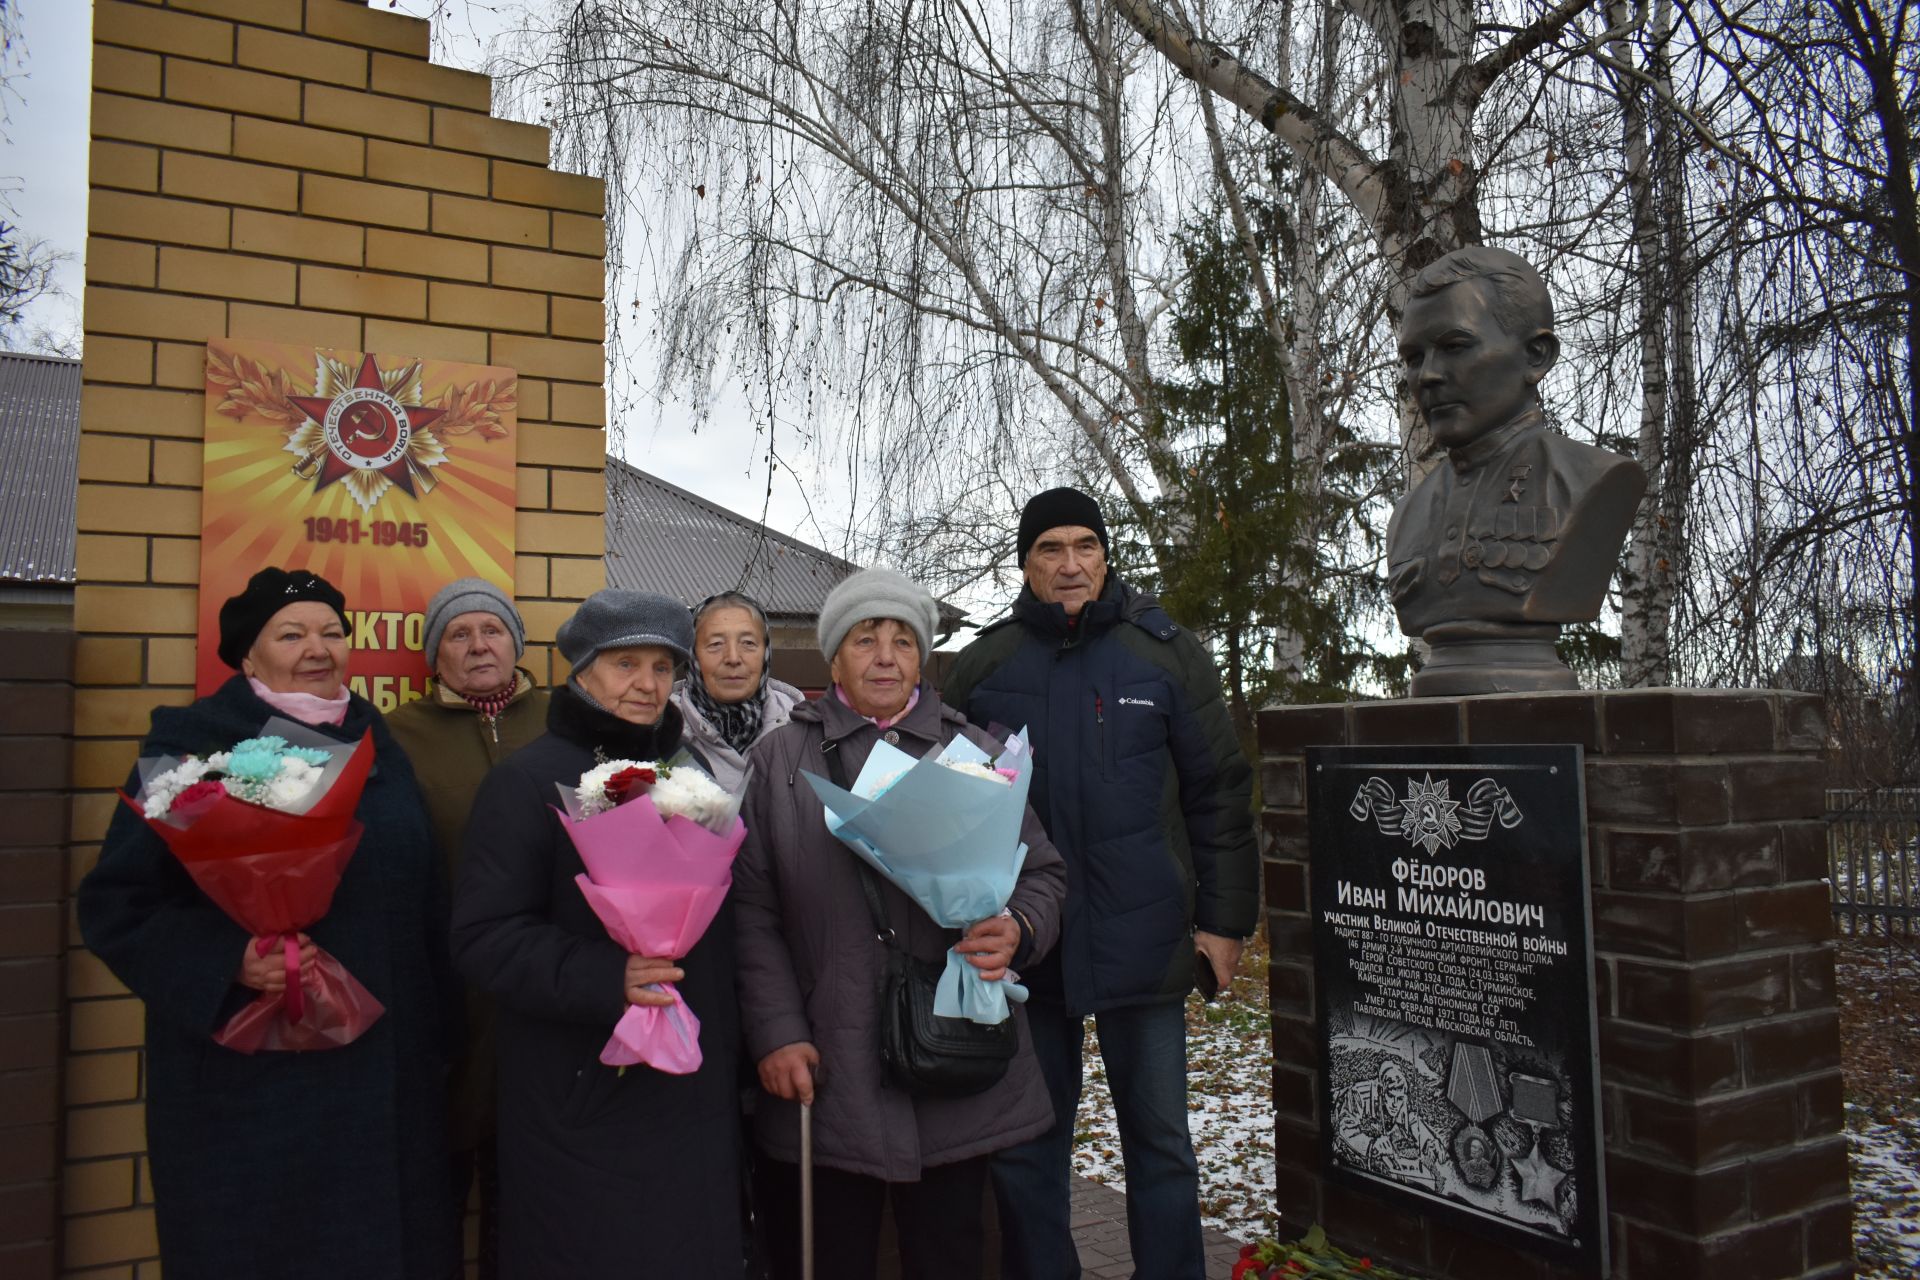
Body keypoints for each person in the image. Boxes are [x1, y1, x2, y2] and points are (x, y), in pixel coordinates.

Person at [77, 567, 460, 1278]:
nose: (318, 648)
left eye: (331, 632)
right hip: (251, 1085)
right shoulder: (194, 750)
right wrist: (227, 960)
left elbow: (423, 890)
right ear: (247, 657)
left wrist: (441, 1036)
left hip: (386, 1073)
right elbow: (116, 905)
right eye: (292, 634)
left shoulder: (378, 741)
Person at [943, 489, 1259, 1280]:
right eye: (1051, 549)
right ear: (1025, 563)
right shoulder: (985, 665)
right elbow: (946, 805)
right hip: (1027, 948)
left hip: (1145, 943)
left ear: (1106, 555)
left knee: (1160, 1146)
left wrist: (1223, 924)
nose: (1070, 564)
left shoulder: (1166, 655)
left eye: (1085, 546)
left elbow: (1217, 791)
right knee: (1028, 1149)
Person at [735, 568, 1068, 1280]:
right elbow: (751, 913)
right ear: (835, 659)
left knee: (950, 1249)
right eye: (865, 639)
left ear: (923, 658)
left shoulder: (971, 754)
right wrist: (777, 1032)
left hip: (947, 1052)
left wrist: (1018, 928)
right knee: (829, 1254)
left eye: (902, 641)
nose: (885, 656)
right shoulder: (777, 762)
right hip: (825, 1062)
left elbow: (1043, 873)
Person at [450, 590, 742, 1278]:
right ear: (582, 671)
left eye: (664, 668)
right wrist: (605, 977)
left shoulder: (690, 779)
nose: (648, 685)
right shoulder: (526, 781)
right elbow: (483, 936)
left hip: (689, 1089)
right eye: (625, 665)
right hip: (582, 1089)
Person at [1386, 246, 1645, 694]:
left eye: (1454, 347)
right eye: (1413, 358)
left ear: (1536, 356)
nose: (1426, 376)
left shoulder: (1590, 479)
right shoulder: (1408, 516)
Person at [386, 577, 548, 1277]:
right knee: (438, 1185)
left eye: (492, 629)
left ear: (515, 641)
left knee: (530, 1193)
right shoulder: (399, 736)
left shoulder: (566, 717)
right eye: (459, 634)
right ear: (434, 657)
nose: (479, 645)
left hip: (545, 982)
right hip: (446, 992)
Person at [673, 590, 805, 793]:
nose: (733, 658)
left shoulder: (805, 730)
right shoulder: (661, 731)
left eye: (748, 643)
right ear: (693, 655)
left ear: (765, 653)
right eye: (716, 644)